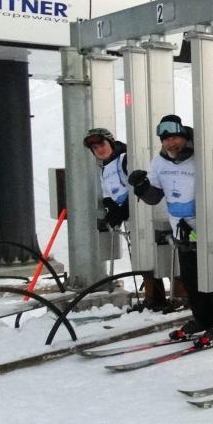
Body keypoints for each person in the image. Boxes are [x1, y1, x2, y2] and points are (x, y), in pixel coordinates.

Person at [127, 114, 213, 342]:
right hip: (181, 230)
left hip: (208, 228)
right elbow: (155, 196)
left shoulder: (201, 157)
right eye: (166, 140)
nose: (171, 144)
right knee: (191, 277)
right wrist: (141, 186)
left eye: (175, 138)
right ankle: (203, 318)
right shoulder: (160, 161)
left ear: (184, 136)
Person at [83, 128, 168, 311]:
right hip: (131, 220)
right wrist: (113, 211)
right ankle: (153, 297)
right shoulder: (104, 168)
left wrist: (122, 210)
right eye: (95, 147)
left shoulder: (124, 159)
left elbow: (135, 187)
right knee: (140, 257)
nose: (99, 149)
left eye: (102, 144)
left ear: (111, 143)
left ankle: (178, 295)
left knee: (155, 255)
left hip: (143, 214)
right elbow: (109, 194)